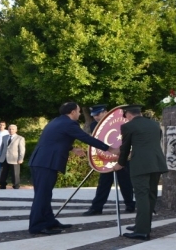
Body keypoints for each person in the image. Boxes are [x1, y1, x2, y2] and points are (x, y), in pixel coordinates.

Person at [28, 102, 120, 235]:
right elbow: (86, 138)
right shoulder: (69, 124)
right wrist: (110, 149)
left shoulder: (57, 121)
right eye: (78, 111)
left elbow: (54, 139)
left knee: (44, 194)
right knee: (42, 195)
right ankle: (36, 226)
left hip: (40, 161)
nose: (80, 113)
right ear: (72, 112)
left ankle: (49, 222)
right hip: (46, 163)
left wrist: (72, 148)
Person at [112, 105, 168, 241]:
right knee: (151, 195)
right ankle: (142, 225)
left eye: (126, 117)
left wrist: (120, 163)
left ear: (129, 115)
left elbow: (125, 148)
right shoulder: (155, 124)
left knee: (142, 195)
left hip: (141, 165)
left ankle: (142, 231)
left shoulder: (128, 127)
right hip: (157, 163)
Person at [82, 104, 135, 216]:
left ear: (105, 112)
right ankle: (96, 208)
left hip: (122, 157)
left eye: (98, 114)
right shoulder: (94, 126)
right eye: (94, 115)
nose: (96, 117)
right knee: (103, 184)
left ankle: (130, 205)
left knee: (125, 183)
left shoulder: (121, 121)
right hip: (106, 158)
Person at [0, 124, 25, 189]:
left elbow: (22, 150)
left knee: (15, 173)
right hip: (4, 158)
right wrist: (0, 156)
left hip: (14, 158)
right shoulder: (4, 137)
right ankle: (2, 185)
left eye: (13, 129)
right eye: (9, 129)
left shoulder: (20, 138)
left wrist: (21, 158)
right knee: (2, 172)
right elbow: (2, 147)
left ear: (16, 130)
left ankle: (16, 185)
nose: (11, 130)